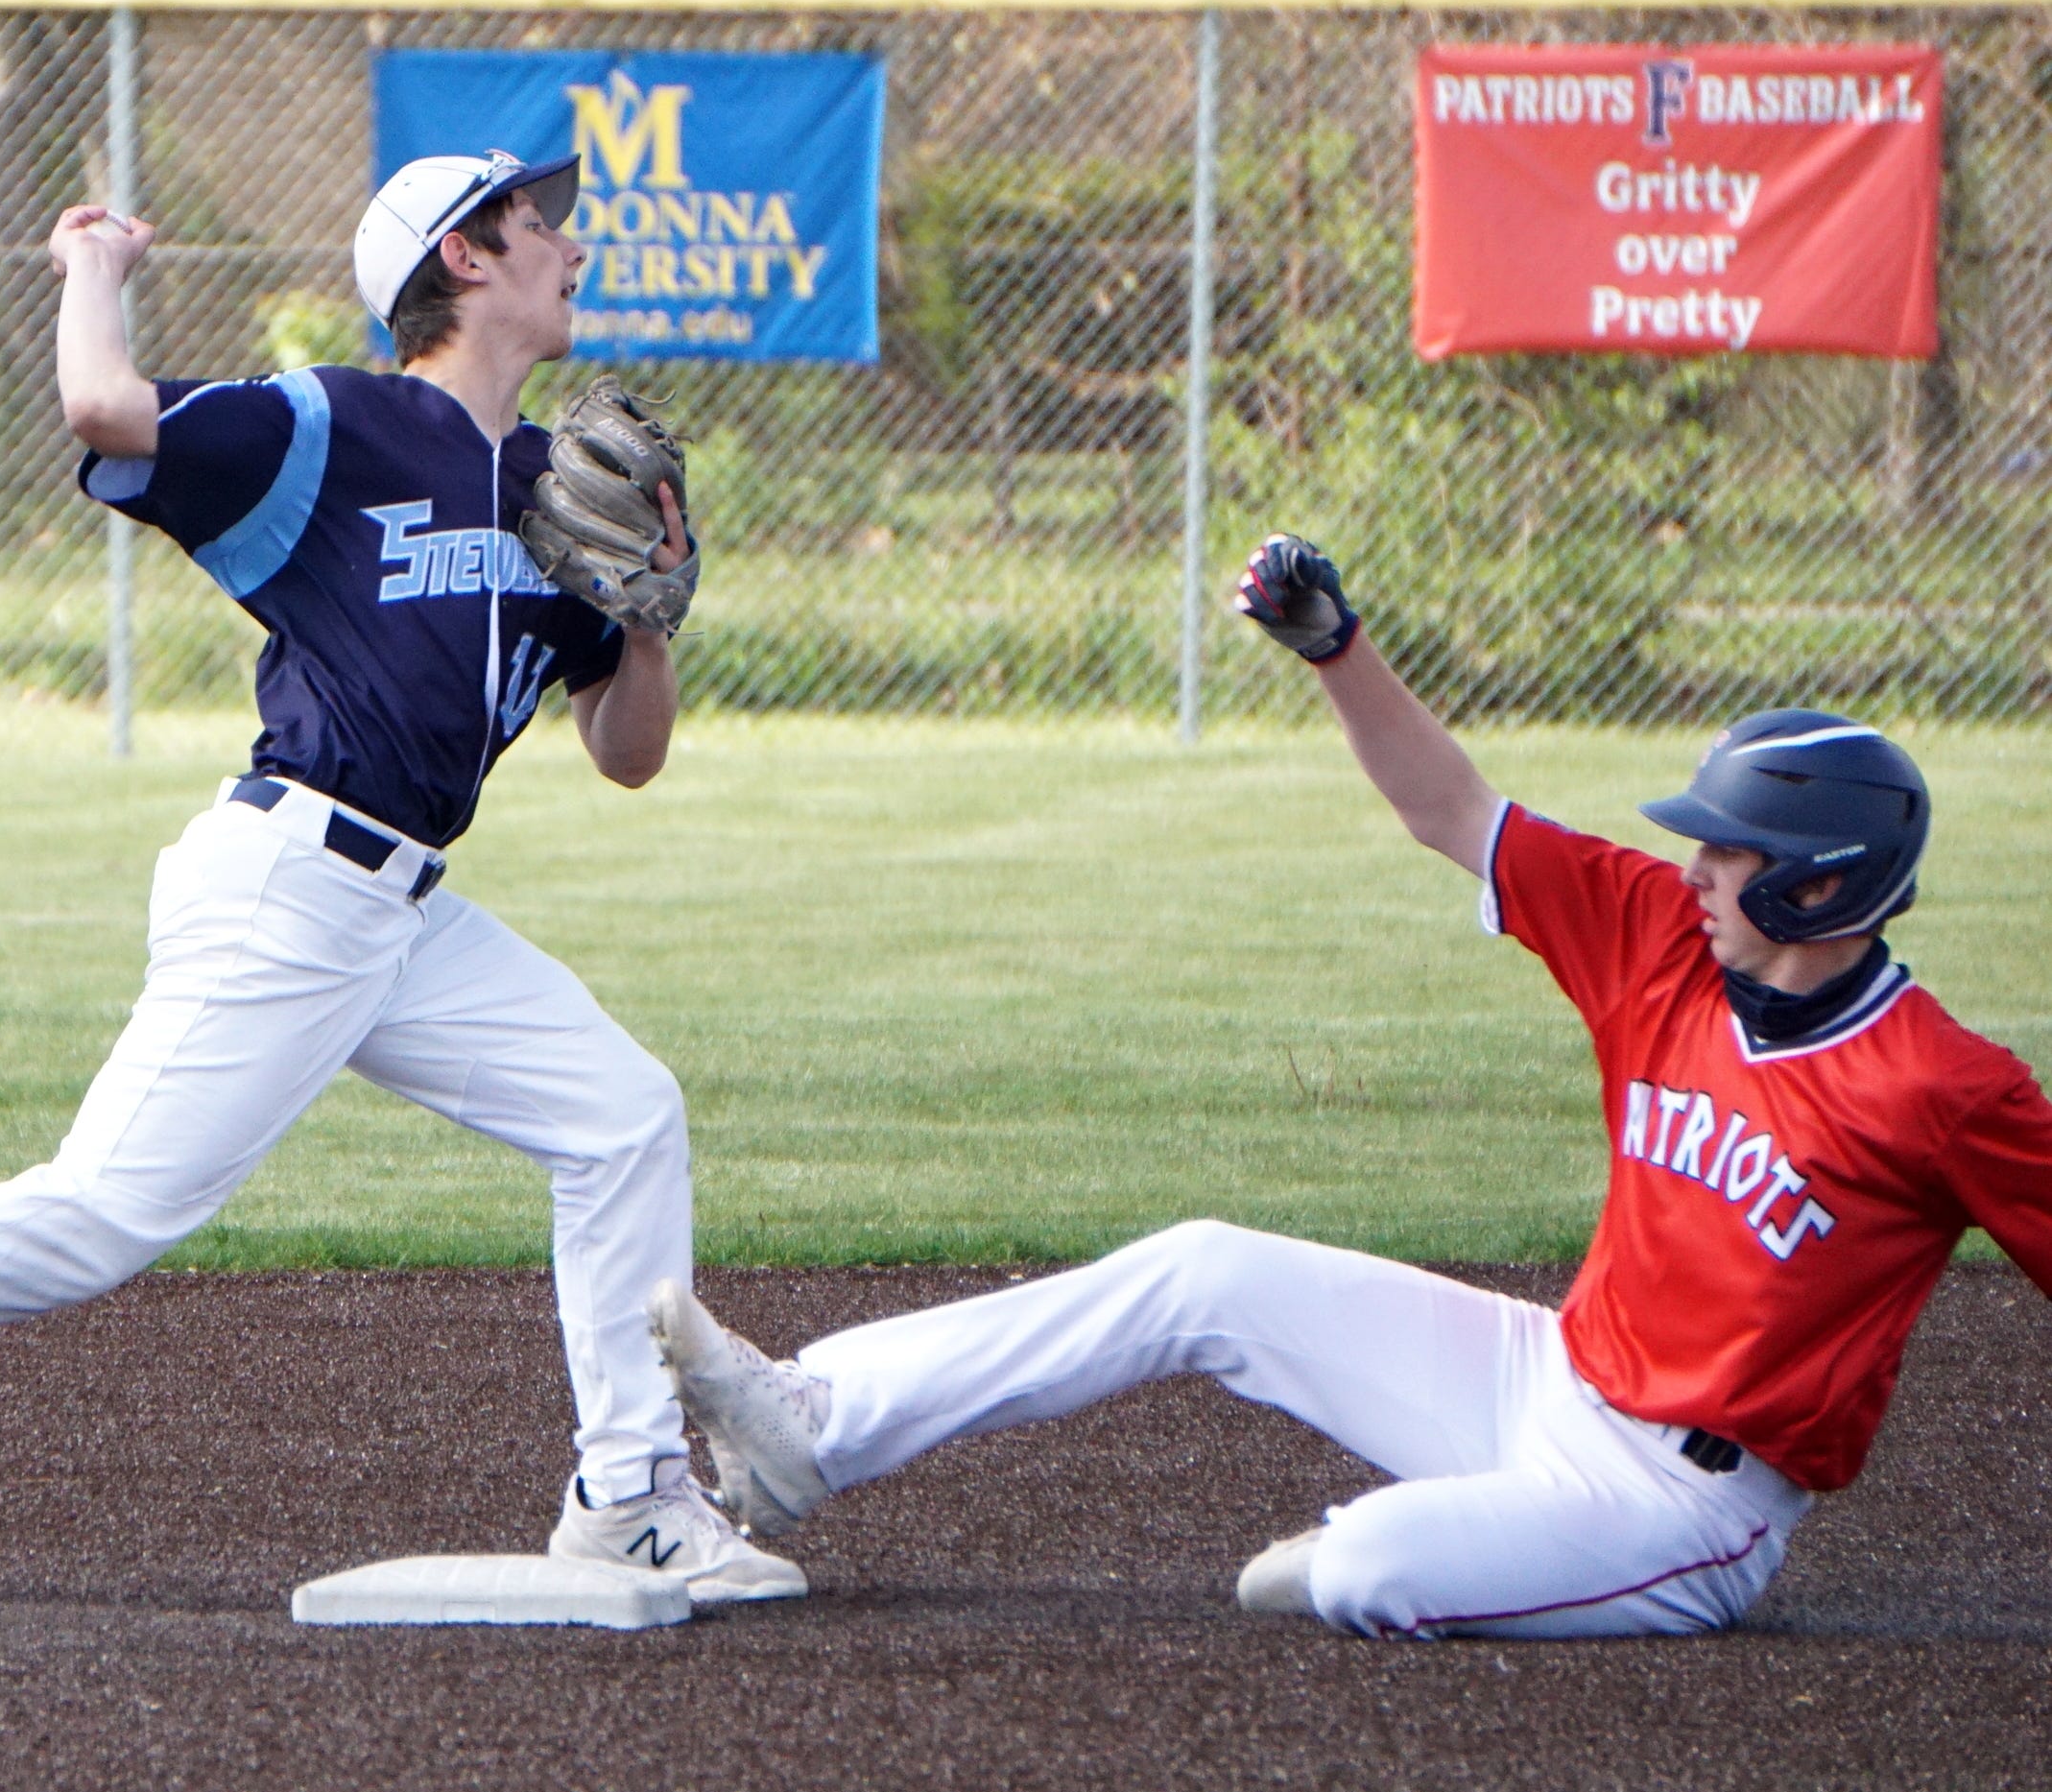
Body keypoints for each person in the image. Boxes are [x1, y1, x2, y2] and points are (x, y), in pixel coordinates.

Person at [0, 148, 803, 1607]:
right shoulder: (333, 428)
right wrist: (94, 270)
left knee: (620, 1117)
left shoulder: (554, 487)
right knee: (93, 1218)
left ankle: (631, 1500)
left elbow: (627, 753)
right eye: (543, 226)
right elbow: (104, 414)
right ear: (464, 260)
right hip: (288, 887)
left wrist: (649, 618)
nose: (572, 249)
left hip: (398, 916)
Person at [648, 533, 2052, 1638]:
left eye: (1732, 853)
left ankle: (1452, 1548)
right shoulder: (1659, 943)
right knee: (1205, 1272)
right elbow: (1453, 809)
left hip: (1692, 1512)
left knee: (1365, 1568)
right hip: (1547, 1378)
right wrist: (1336, 651)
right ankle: (811, 1429)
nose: (1696, 869)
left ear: (1823, 881)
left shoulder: (1943, 1086)